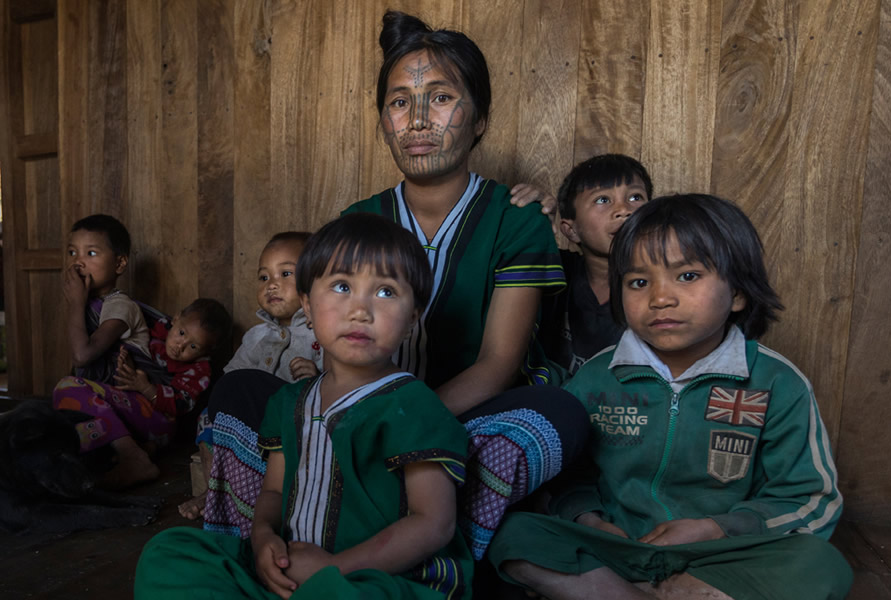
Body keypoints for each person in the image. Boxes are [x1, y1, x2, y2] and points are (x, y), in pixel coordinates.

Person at [202, 9, 588, 562]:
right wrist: (344, 418)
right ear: (383, 119)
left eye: (441, 97)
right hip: (346, 412)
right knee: (239, 394)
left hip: (458, 418)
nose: (418, 120)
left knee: (557, 415)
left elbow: (498, 364)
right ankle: (274, 551)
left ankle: (422, 543)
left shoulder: (514, 218)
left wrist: (393, 426)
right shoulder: (359, 220)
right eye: (400, 102)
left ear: (479, 118)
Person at [486, 194, 853, 600]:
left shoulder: (777, 381)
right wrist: (589, 520)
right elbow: (568, 476)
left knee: (820, 564)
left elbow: (810, 498)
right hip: (617, 547)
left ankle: (655, 590)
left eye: (688, 276)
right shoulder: (597, 376)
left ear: (737, 293)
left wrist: (716, 528)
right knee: (513, 533)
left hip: (722, 552)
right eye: (639, 282)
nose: (660, 298)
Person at [135, 213, 473, 600]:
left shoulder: (413, 406)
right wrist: (263, 539)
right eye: (342, 286)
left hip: (379, 581)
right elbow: (275, 494)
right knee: (169, 554)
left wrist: (334, 569)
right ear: (308, 307)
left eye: (385, 292)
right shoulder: (289, 401)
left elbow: (434, 524)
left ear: (412, 319)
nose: (360, 310)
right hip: (292, 572)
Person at [182, 232, 323, 521]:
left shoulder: (320, 334)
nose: (272, 284)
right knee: (209, 415)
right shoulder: (255, 337)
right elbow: (231, 382)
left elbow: (342, 387)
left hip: (292, 428)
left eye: (285, 274)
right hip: (248, 427)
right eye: (263, 277)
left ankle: (264, 495)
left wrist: (317, 376)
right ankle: (216, 489)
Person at [53, 298, 231, 489]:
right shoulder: (159, 330)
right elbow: (140, 352)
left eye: (193, 346)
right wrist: (129, 364)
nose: (180, 346)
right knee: (78, 431)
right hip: (137, 411)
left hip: (160, 421)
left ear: (207, 351)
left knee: (68, 387)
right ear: (176, 318)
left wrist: (144, 387)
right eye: (181, 333)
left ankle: (132, 457)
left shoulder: (199, 370)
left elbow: (180, 404)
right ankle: (139, 450)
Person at [540, 154, 653, 379]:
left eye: (636, 197)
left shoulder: (663, 288)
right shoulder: (557, 271)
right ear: (570, 230)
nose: (624, 210)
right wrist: (535, 219)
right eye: (603, 200)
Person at [64, 214, 150, 384]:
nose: (78, 262)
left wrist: (75, 303)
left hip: (127, 397)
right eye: (72, 252)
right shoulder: (86, 301)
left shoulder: (121, 306)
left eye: (91, 253)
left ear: (119, 264)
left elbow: (82, 356)